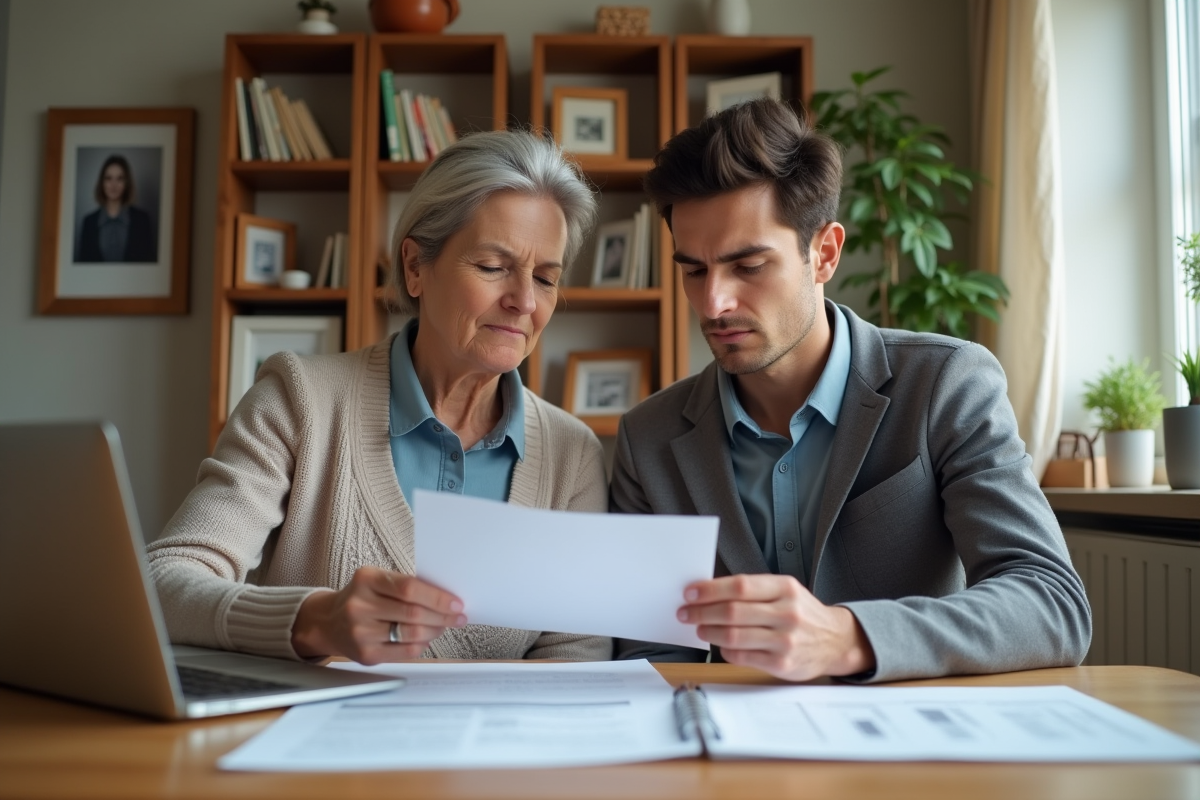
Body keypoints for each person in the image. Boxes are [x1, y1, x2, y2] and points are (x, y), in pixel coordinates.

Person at [610, 99, 1091, 683]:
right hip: (736, 758)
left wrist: (849, 638)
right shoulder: (649, 438)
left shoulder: (946, 384)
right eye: (694, 270)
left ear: (825, 254)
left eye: (749, 266)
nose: (714, 303)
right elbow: (651, 657)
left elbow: (1052, 604)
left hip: (915, 749)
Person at [148, 129, 611, 664]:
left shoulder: (572, 454)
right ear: (415, 267)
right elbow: (163, 584)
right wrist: (312, 621)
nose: (525, 301)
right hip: (310, 742)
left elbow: (577, 660)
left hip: (497, 747)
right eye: (492, 267)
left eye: (547, 279)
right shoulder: (299, 401)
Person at [76, 154, 157, 263]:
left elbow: (149, 264)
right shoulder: (89, 222)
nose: (113, 185)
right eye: (108, 178)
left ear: (126, 183)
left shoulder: (142, 220)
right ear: (102, 183)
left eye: (120, 179)